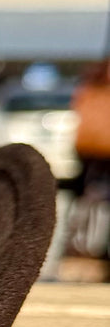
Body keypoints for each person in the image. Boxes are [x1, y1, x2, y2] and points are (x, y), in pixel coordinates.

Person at [67, 58, 110, 268]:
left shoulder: (88, 89)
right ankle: (85, 245)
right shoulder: (93, 91)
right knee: (91, 200)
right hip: (96, 152)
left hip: (91, 151)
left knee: (90, 200)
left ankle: (88, 244)